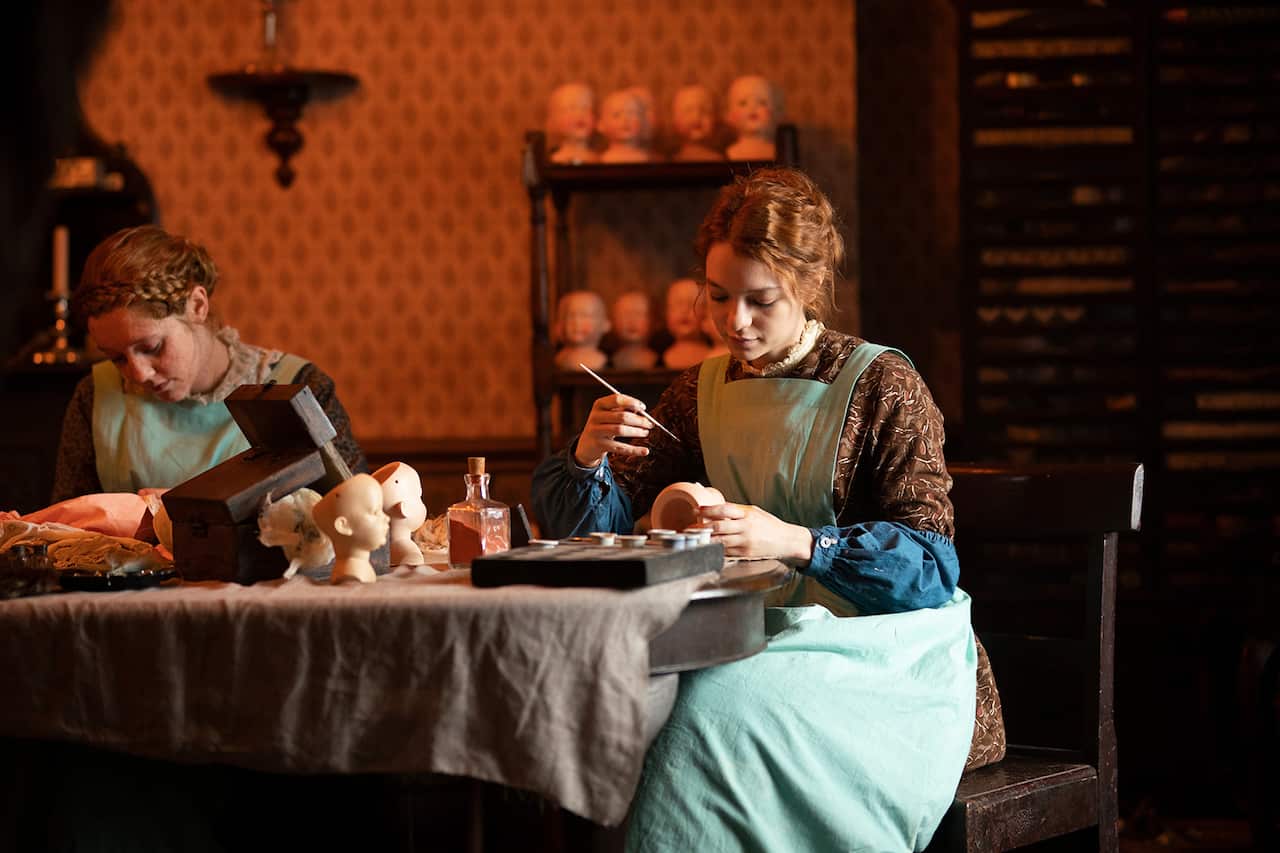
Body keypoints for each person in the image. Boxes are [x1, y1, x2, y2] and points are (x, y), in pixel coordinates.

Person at [532, 168, 999, 851]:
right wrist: (587, 456)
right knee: (609, 699)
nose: (734, 321)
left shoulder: (881, 384)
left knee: (699, 712)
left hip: (882, 659)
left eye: (761, 301)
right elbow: (599, 542)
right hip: (743, 635)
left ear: (808, 288)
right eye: (719, 296)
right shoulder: (698, 391)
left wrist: (797, 542)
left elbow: (929, 565)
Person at [51, 225, 368, 502]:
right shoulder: (94, 395)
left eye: (152, 347)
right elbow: (71, 535)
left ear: (198, 305)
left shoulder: (298, 386)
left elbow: (355, 519)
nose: (137, 373)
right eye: (116, 357)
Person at [725, 73, 782, 160]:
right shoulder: (729, 153)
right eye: (743, 103)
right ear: (730, 114)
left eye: (762, 102)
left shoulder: (778, 151)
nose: (753, 108)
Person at [553, 289, 611, 371]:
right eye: (571, 316)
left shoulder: (601, 361)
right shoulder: (560, 359)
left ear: (605, 325)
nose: (577, 322)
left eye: (585, 316)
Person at [545, 82, 598, 165]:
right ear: (553, 120)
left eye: (585, 108)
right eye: (571, 109)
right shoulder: (551, 160)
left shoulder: (601, 159)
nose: (580, 114)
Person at [669, 83, 723, 162]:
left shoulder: (721, 160)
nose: (696, 117)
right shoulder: (672, 160)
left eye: (705, 111)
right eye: (688, 111)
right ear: (675, 120)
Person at [597, 88, 653, 164]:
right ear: (602, 124)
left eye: (632, 113)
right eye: (617, 115)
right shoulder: (605, 159)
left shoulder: (645, 158)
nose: (626, 120)